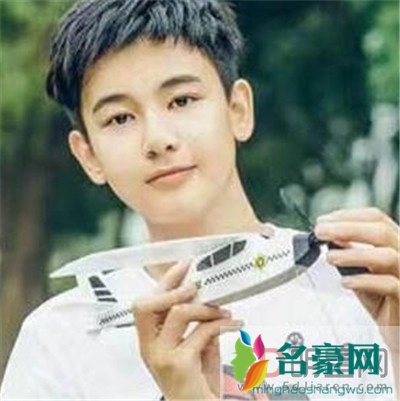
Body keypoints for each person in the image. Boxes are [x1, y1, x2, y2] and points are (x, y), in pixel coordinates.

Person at [1, 0, 399, 399]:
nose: (158, 139)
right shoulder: (58, 342)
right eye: (119, 118)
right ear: (88, 155)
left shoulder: (363, 285)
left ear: (238, 109)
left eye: (182, 100)